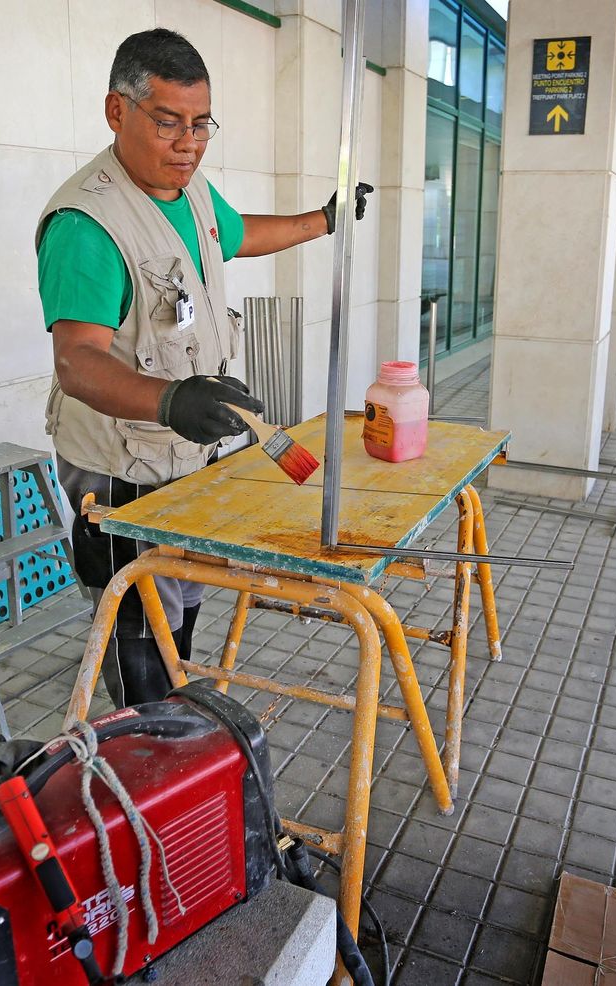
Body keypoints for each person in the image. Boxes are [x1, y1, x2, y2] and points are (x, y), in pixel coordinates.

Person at [35, 28, 372, 708]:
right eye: (167, 123)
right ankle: (143, 752)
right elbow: (78, 363)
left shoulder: (188, 192)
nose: (188, 142)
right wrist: (170, 401)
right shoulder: (87, 224)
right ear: (116, 112)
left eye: (200, 124)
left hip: (183, 458)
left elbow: (238, 235)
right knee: (135, 629)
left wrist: (324, 220)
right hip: (120, 471)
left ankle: (180, 733)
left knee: (180, 609)